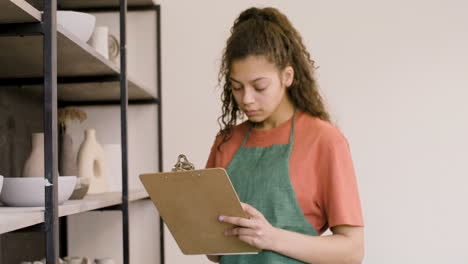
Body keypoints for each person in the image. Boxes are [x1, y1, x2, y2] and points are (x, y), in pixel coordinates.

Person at [205, 7, 364, 264]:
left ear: (287, 76)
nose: (246, 99)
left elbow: (352, 251)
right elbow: (213, 253)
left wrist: (271, 238)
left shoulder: (324, 140)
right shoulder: (226, 142)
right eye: (236, 87)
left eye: (259, 87)